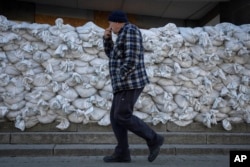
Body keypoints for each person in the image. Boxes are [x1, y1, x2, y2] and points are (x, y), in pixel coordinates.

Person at [102, 10, 164, 163]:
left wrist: (120, 75)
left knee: (122, 115)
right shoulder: (122, 34)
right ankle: (122, 153)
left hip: (130, 82)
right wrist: (107, 40)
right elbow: (112, 55)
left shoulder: (130, 31)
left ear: (117, 22)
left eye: (110, 23)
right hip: (122, 83)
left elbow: (132, 58)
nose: (109, 26)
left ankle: (154, 139)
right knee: (115, 118)